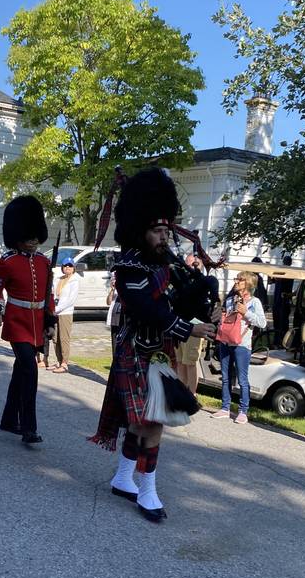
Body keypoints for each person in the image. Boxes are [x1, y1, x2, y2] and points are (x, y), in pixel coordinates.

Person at [89, 167, 214, 523]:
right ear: (140, 230)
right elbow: (148, 308)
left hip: (158, 353)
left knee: (146, 422)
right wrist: (187, 328)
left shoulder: (165, 260)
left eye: (165, 230)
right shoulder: (129, 266)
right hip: (137, 350)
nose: (164, 236)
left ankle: (123, 477)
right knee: (152, 422)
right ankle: (148, 490)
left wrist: (203, 296)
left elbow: (178, 297)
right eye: (157, 231)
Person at [0, 195, 54, 444]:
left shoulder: (44, 262)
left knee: (20, 370)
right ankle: (28, 427)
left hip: (36, 322)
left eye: (36, 236)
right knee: (29, 369)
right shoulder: (6, 263)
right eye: (29, 236)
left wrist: (50, 321)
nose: (34, 241)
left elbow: (49, 295)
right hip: (17, 322)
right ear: (18, 237)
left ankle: (8, 419)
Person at [211, 271, 267, 424]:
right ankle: (225, 408)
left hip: (242, 345)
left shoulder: (254, 302)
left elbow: (262, 323)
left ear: (248, 284)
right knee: (225, 377)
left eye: (239, 279)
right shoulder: (230, 300)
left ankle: (243, 411)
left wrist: (246, 312)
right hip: (225, 342)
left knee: (242, 379)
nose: (235, 281)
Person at [175, 255, 205, 394]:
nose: (187, 267)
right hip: (181, 324)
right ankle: (182, 392)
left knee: (190, 362)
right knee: (180, 362)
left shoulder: (202, 281)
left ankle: (191, 395)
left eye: (190, 264)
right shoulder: (183, 281)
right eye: (186, 264)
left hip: (195, 326)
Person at [51, 258, 80, 373]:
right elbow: (54, 293)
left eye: (70, 266)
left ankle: (64, 363)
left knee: (64, 337)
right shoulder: (58, 279)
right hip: (55, 311)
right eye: (65, 265)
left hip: (65, 312)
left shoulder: (74, 281)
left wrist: (57, 309)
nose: (67, 267)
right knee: (55, 337)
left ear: (73, 268)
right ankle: (58, 360)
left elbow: (70, 300)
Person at [271, 253, 294, 347]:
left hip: (284, 301)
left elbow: (286, 284)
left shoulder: (290, 273)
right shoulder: (280, 272)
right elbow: (271, 281)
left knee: (283, 323)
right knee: (276, 322)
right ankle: (276, 340)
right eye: (285, 261)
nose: (285, 263)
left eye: (287, 262)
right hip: (277, 301)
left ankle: (282, 341)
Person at [105, 275, 121, 359]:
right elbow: (108, 302)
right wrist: (112, 289)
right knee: (114, 342)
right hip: (114, 317)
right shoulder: (114, 290)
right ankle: (115, 362)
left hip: (121, 317)